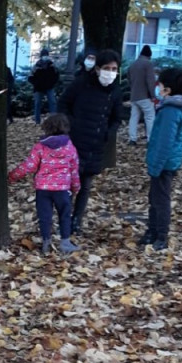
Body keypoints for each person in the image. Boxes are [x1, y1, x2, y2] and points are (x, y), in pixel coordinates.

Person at [59, 48, 124, 235]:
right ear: (97, 68)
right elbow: (64, 103)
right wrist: (70, 126)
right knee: (70, 184)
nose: (110, 72)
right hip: (75, 141)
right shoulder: (81, 84)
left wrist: (107, 133)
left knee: (85, 186)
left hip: (96, 144)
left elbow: (117, 117)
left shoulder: (115, 92)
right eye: (107, 68)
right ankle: (63, 220)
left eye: (114, 69)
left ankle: (76, 221)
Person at [9, 113, 81, 255]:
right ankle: (65, 242)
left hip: (43, 189)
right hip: (62, 189)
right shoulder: (70, 147)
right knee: (65, 215)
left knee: (45, 216)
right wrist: (75, 187)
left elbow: (29, 166)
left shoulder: (40, 147)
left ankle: (46, 242)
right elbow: (74, 169)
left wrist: (12, 176)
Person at [138, 67, 182, 251]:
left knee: (160, 200)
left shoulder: (169, 112)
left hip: (163, 164)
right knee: (154, 198)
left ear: (167, 90)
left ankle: (160, 235)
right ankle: (153, 231)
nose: (157, 89)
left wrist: (155, 166)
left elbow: (164, 143)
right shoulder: (173, 108)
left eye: (159, 85)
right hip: (166, 162)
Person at [128, 44, 157, 144]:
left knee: (134, 117)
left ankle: (132, 139)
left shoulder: (133, 64)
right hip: (145, 96)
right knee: (150, 117)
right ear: (149, 55)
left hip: (134, 96)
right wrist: (153, 95)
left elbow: (129, 80)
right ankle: (150, 139)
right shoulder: (148, 64)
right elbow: (150, 81)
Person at [29, 48, 60, 123]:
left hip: (49, 87)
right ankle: (37, 121)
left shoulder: (52, 65)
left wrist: (52, 83)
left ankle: (54, 120)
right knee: (37, 104)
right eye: (44, 55)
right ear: (41, 56)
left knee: (52, 102)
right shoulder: (36, 66)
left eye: (46, 55)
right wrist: (36, 83)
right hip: (38, 88)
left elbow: (57, 75)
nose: (45, 56)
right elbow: (30, 77)